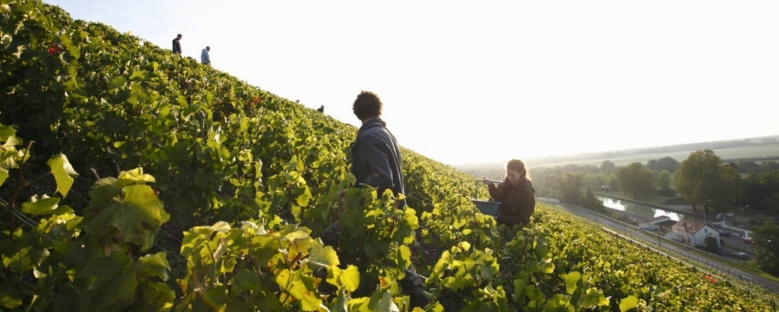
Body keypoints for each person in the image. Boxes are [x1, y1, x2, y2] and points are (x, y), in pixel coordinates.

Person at [321, 91, 427, 308]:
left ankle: (335, 289)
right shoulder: (385, 133)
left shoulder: (369, 136)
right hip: (389, 210)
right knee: (393, 257)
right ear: (378, 110)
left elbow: (382, 177)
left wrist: (355, 197)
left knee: (329, 237)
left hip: (376, 210)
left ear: (357, 112)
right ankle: (419, 298)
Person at [483, 159, 535, 227]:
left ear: (521, 173)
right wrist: (491, 185)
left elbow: (523, 219)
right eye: (508, 174)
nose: (509, 178)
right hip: (502, 226)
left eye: (513, 175)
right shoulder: (506, 185)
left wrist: (499, 219)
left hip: (515, 231)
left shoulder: (527, 193)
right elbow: (498, 196)